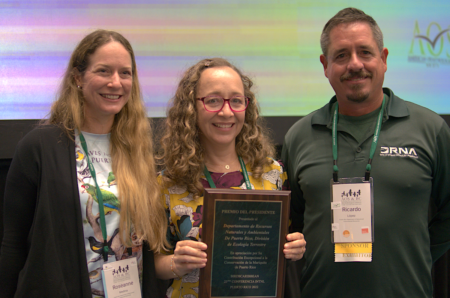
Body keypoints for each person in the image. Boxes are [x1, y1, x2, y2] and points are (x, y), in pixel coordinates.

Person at [282, 7, 450, 298]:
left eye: (365, 52)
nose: (355, 64)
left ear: (383, 59)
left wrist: (418, 254)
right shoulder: (299, 136)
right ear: (325, 65)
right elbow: (292, 223)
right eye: (341, 55)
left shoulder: (430, 128)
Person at [0, 30, 168, 297]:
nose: (116, 83)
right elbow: (12, 242)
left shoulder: (139, 148)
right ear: (78, 77)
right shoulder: (40, 146)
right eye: (103, 71)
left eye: (125, 73)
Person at [154, 58, 306, 298]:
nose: (226, 112)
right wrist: (176, 263)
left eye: (236, 101)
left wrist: (295, 247)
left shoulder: (273, 174)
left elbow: (282, 247)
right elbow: (155, 263)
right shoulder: (167, 184)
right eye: (213, 101)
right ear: (191, 107)